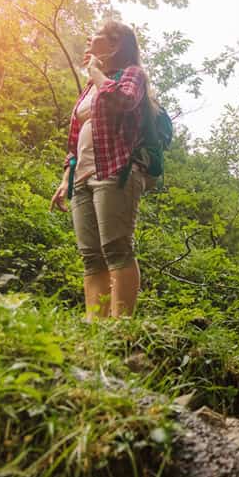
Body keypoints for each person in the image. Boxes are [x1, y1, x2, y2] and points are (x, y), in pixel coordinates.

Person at [51, 20, 152, 321]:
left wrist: (96, 72)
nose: (88, 37)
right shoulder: (88, 90)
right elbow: (74, 140)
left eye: (96, 35)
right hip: (81, 177)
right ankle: (96, 327)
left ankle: (120, 328)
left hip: (114, 170)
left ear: (115, 44)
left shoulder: (132, 75)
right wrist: (65, 177)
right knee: (91, 256)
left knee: (117, 249)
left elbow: (123, 101)